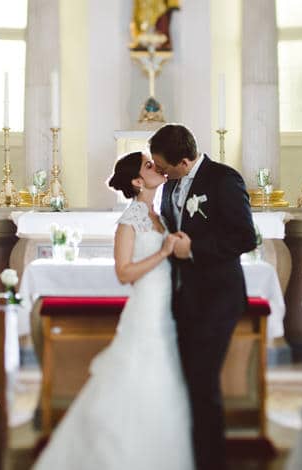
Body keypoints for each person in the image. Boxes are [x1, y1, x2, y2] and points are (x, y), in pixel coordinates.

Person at [33, 151, 194, 470]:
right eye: (149, 165)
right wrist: (163, 252)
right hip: (146, 309)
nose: (156, 167)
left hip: (168, 310)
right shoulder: (129, 219)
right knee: (139, 377)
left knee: (165, 385)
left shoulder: (159, 215)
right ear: (137, 181)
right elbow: (123, 273)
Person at [150, 123, 257, 470]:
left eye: (164, 167)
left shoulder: (224, 179)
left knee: (203, 381)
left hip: (217, 297)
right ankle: (187, 455)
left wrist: (194, 248)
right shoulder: (169, 187)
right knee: (187, 382)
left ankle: (211, 461)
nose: (161, 174)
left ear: (183, 161)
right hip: (183, 300)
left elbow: (245, 238)